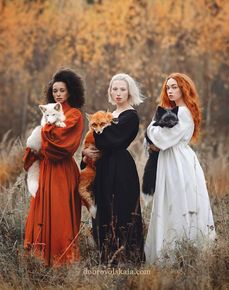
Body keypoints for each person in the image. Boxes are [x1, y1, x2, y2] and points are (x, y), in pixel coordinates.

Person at [144, 73, 216, 264]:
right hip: (170, 161)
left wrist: (151, 127)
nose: (170, 90)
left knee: (177, 203)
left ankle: (179, 253)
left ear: (184, 88)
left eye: (175, 86)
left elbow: (160, 138)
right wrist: (154, 132)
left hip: (178, 164)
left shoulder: (183, 112)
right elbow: (153, 140)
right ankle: (170, 253)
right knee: (170, 203)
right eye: (168, 87)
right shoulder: (174, 110)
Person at [23, 68, 85, 266]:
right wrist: (37, 144)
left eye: (62, 90)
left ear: (70, 92)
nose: (58, 94)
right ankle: (40, 260)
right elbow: (40, 140)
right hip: (45, 169)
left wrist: (43, 134)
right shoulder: (50, 109)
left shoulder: (74, 115)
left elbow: (62, 144)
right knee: (41, 210)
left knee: (60, 214)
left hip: (62, 171)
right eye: (55, 90)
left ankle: (62, 261)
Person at [83, 73, 145, 264]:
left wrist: (96, 137)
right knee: (103, 210)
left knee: (122, 210)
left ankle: (128, 259)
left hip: (120, 169)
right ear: (110, 91)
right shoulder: (110, 115)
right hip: (102, 168)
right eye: (114, 89)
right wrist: (86, 153)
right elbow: (94, 139)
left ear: (129, 92)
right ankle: (107, 258)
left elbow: (111, 140)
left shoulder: (131, 117)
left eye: (122, 89)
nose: (118, 93)